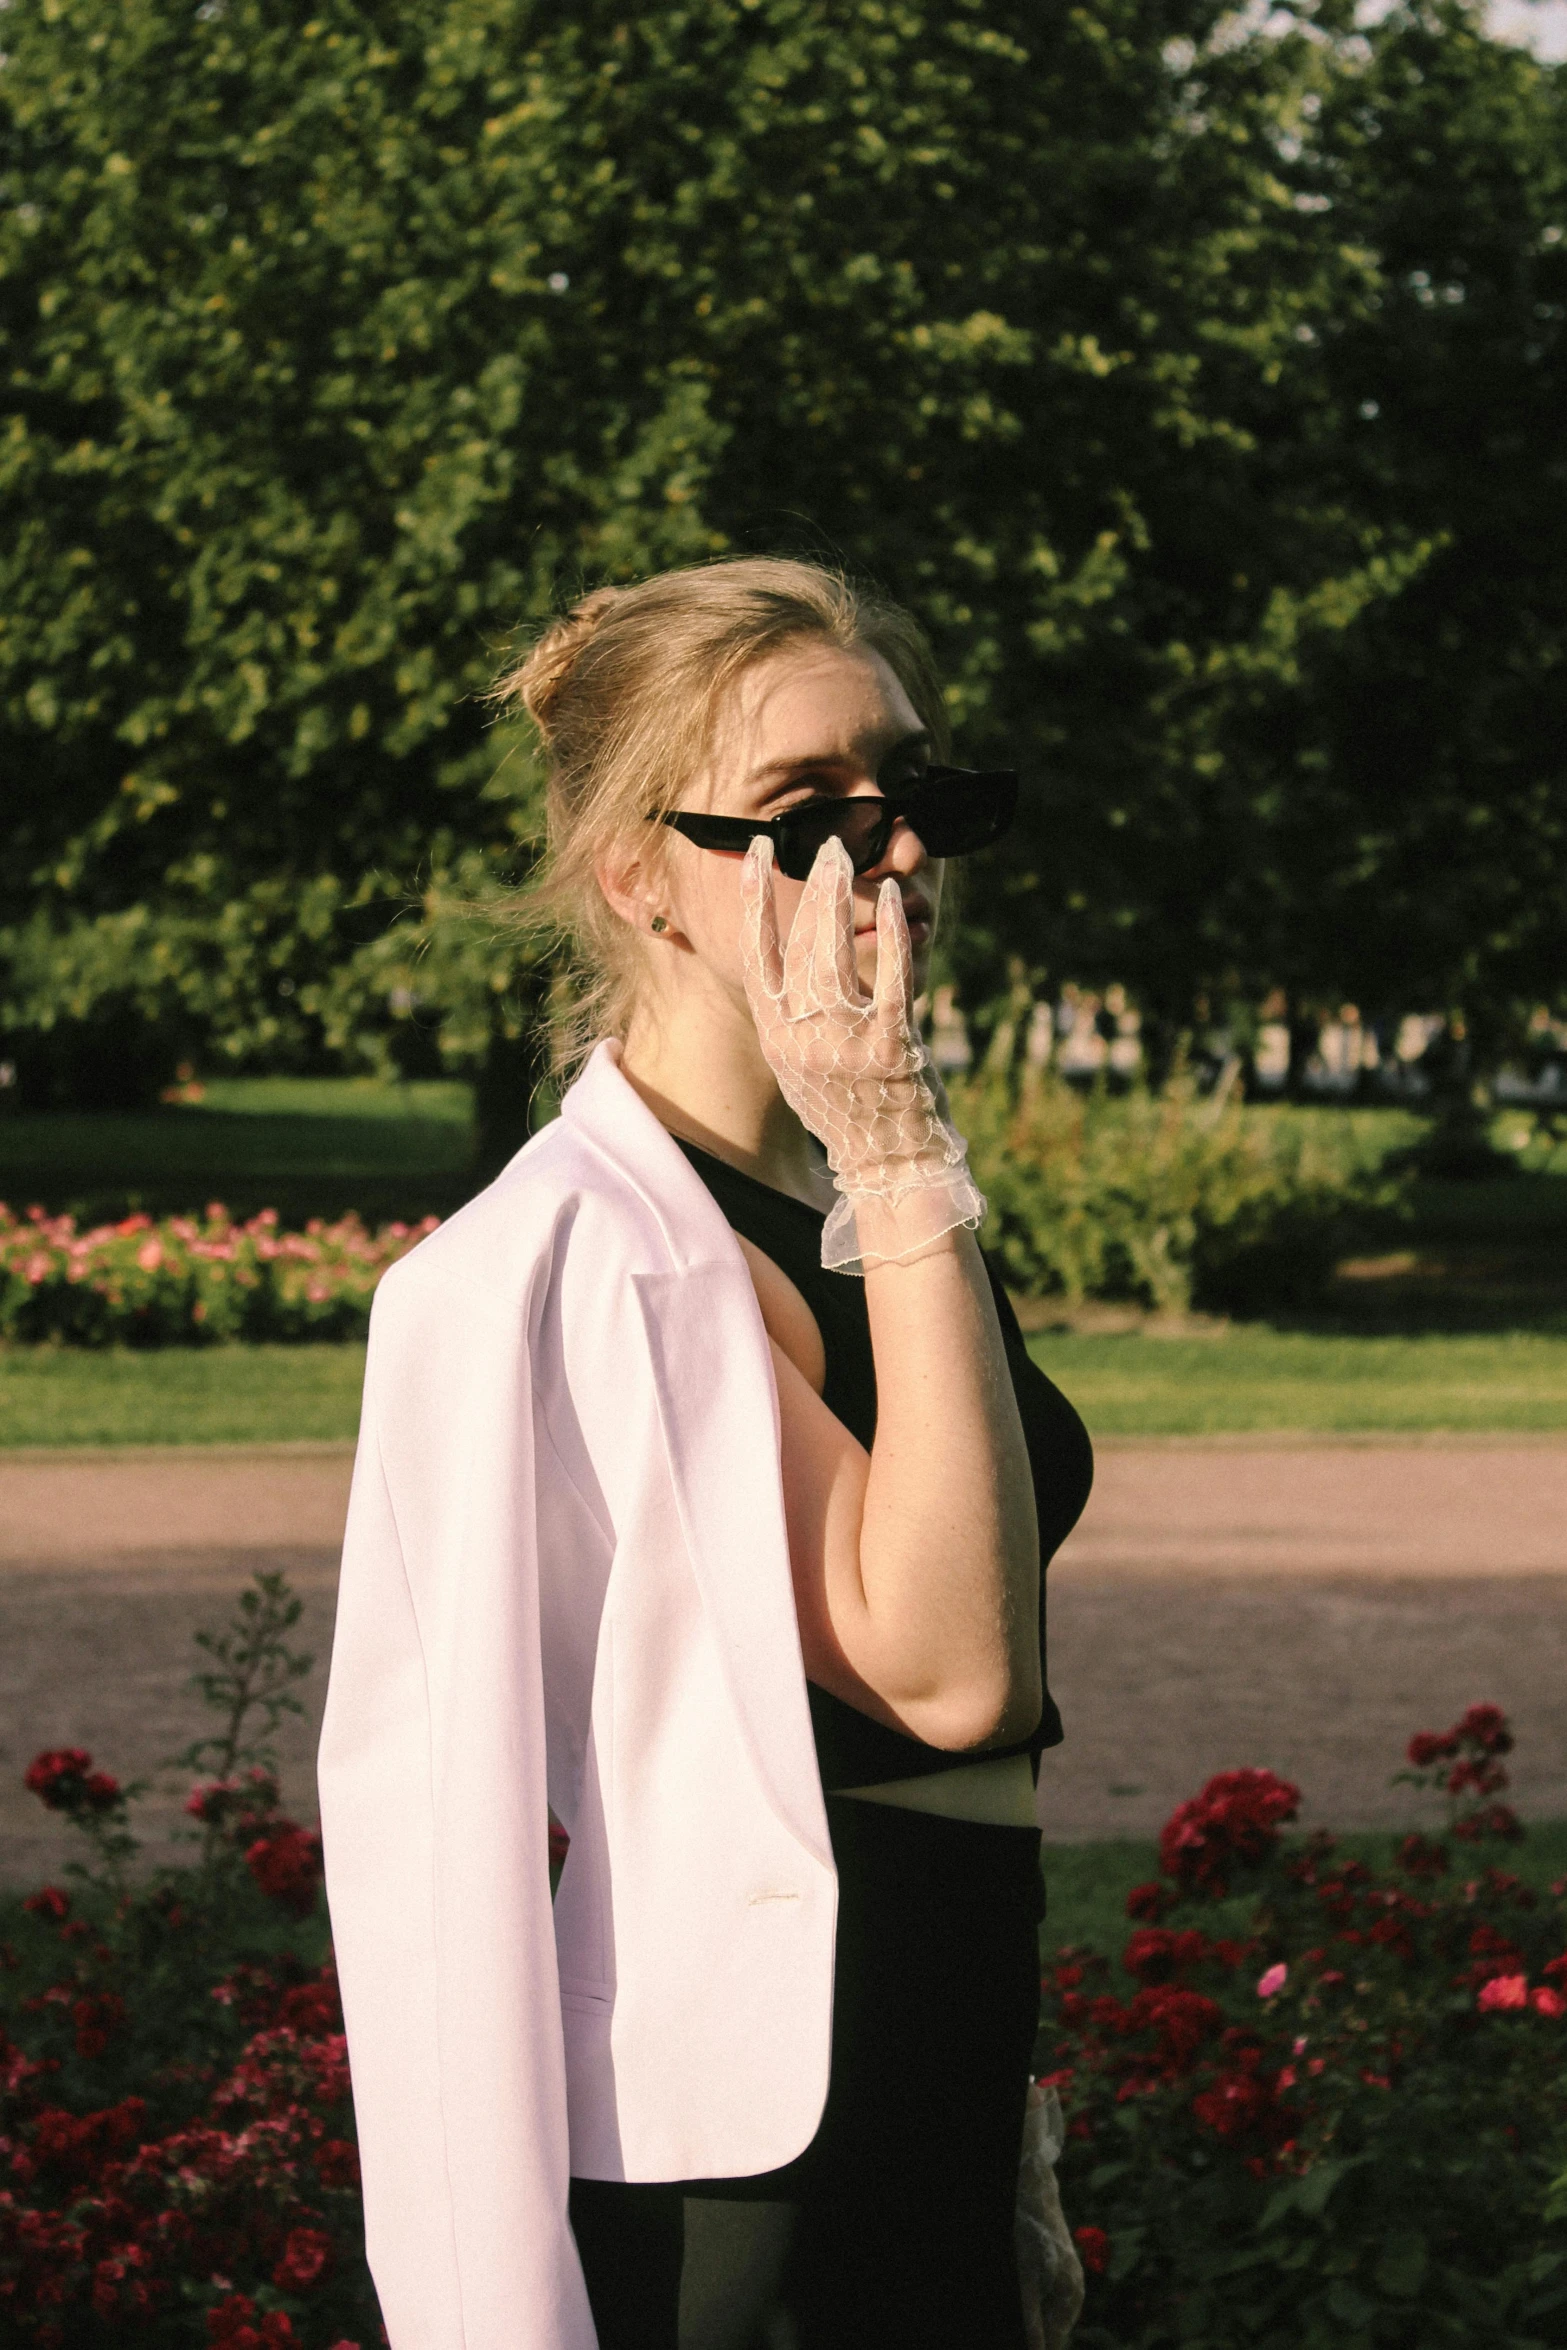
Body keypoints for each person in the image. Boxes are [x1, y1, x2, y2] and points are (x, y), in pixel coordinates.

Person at [318, 557, 1094, 2350]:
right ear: (632, 872)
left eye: (909, 794)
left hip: (930, 2026)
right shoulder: (589, 1248)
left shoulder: (837, 1199)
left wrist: (1003, 2128)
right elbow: (952, 1673)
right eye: (804, 812)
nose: (887, 852)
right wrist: (897, 1139)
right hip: (751, 2149)